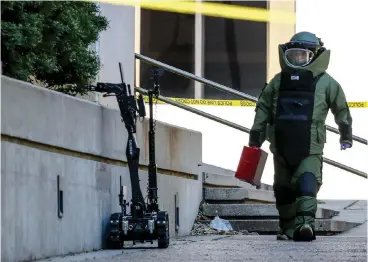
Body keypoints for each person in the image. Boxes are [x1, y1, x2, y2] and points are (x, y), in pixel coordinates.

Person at [248, 31, 353, 241]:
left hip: (310, 147)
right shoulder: (277, 82)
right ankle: (287, 228)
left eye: (303, 55)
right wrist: (255, 139)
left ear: (314, 55)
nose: (298, 59)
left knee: (307, 183)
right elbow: (263, 109)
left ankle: (305, 225)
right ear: (287, 54)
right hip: (280, 146)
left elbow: (341, 109)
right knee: (283, 188)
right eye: (294, 55)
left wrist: (346, 134)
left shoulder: (327, 83)